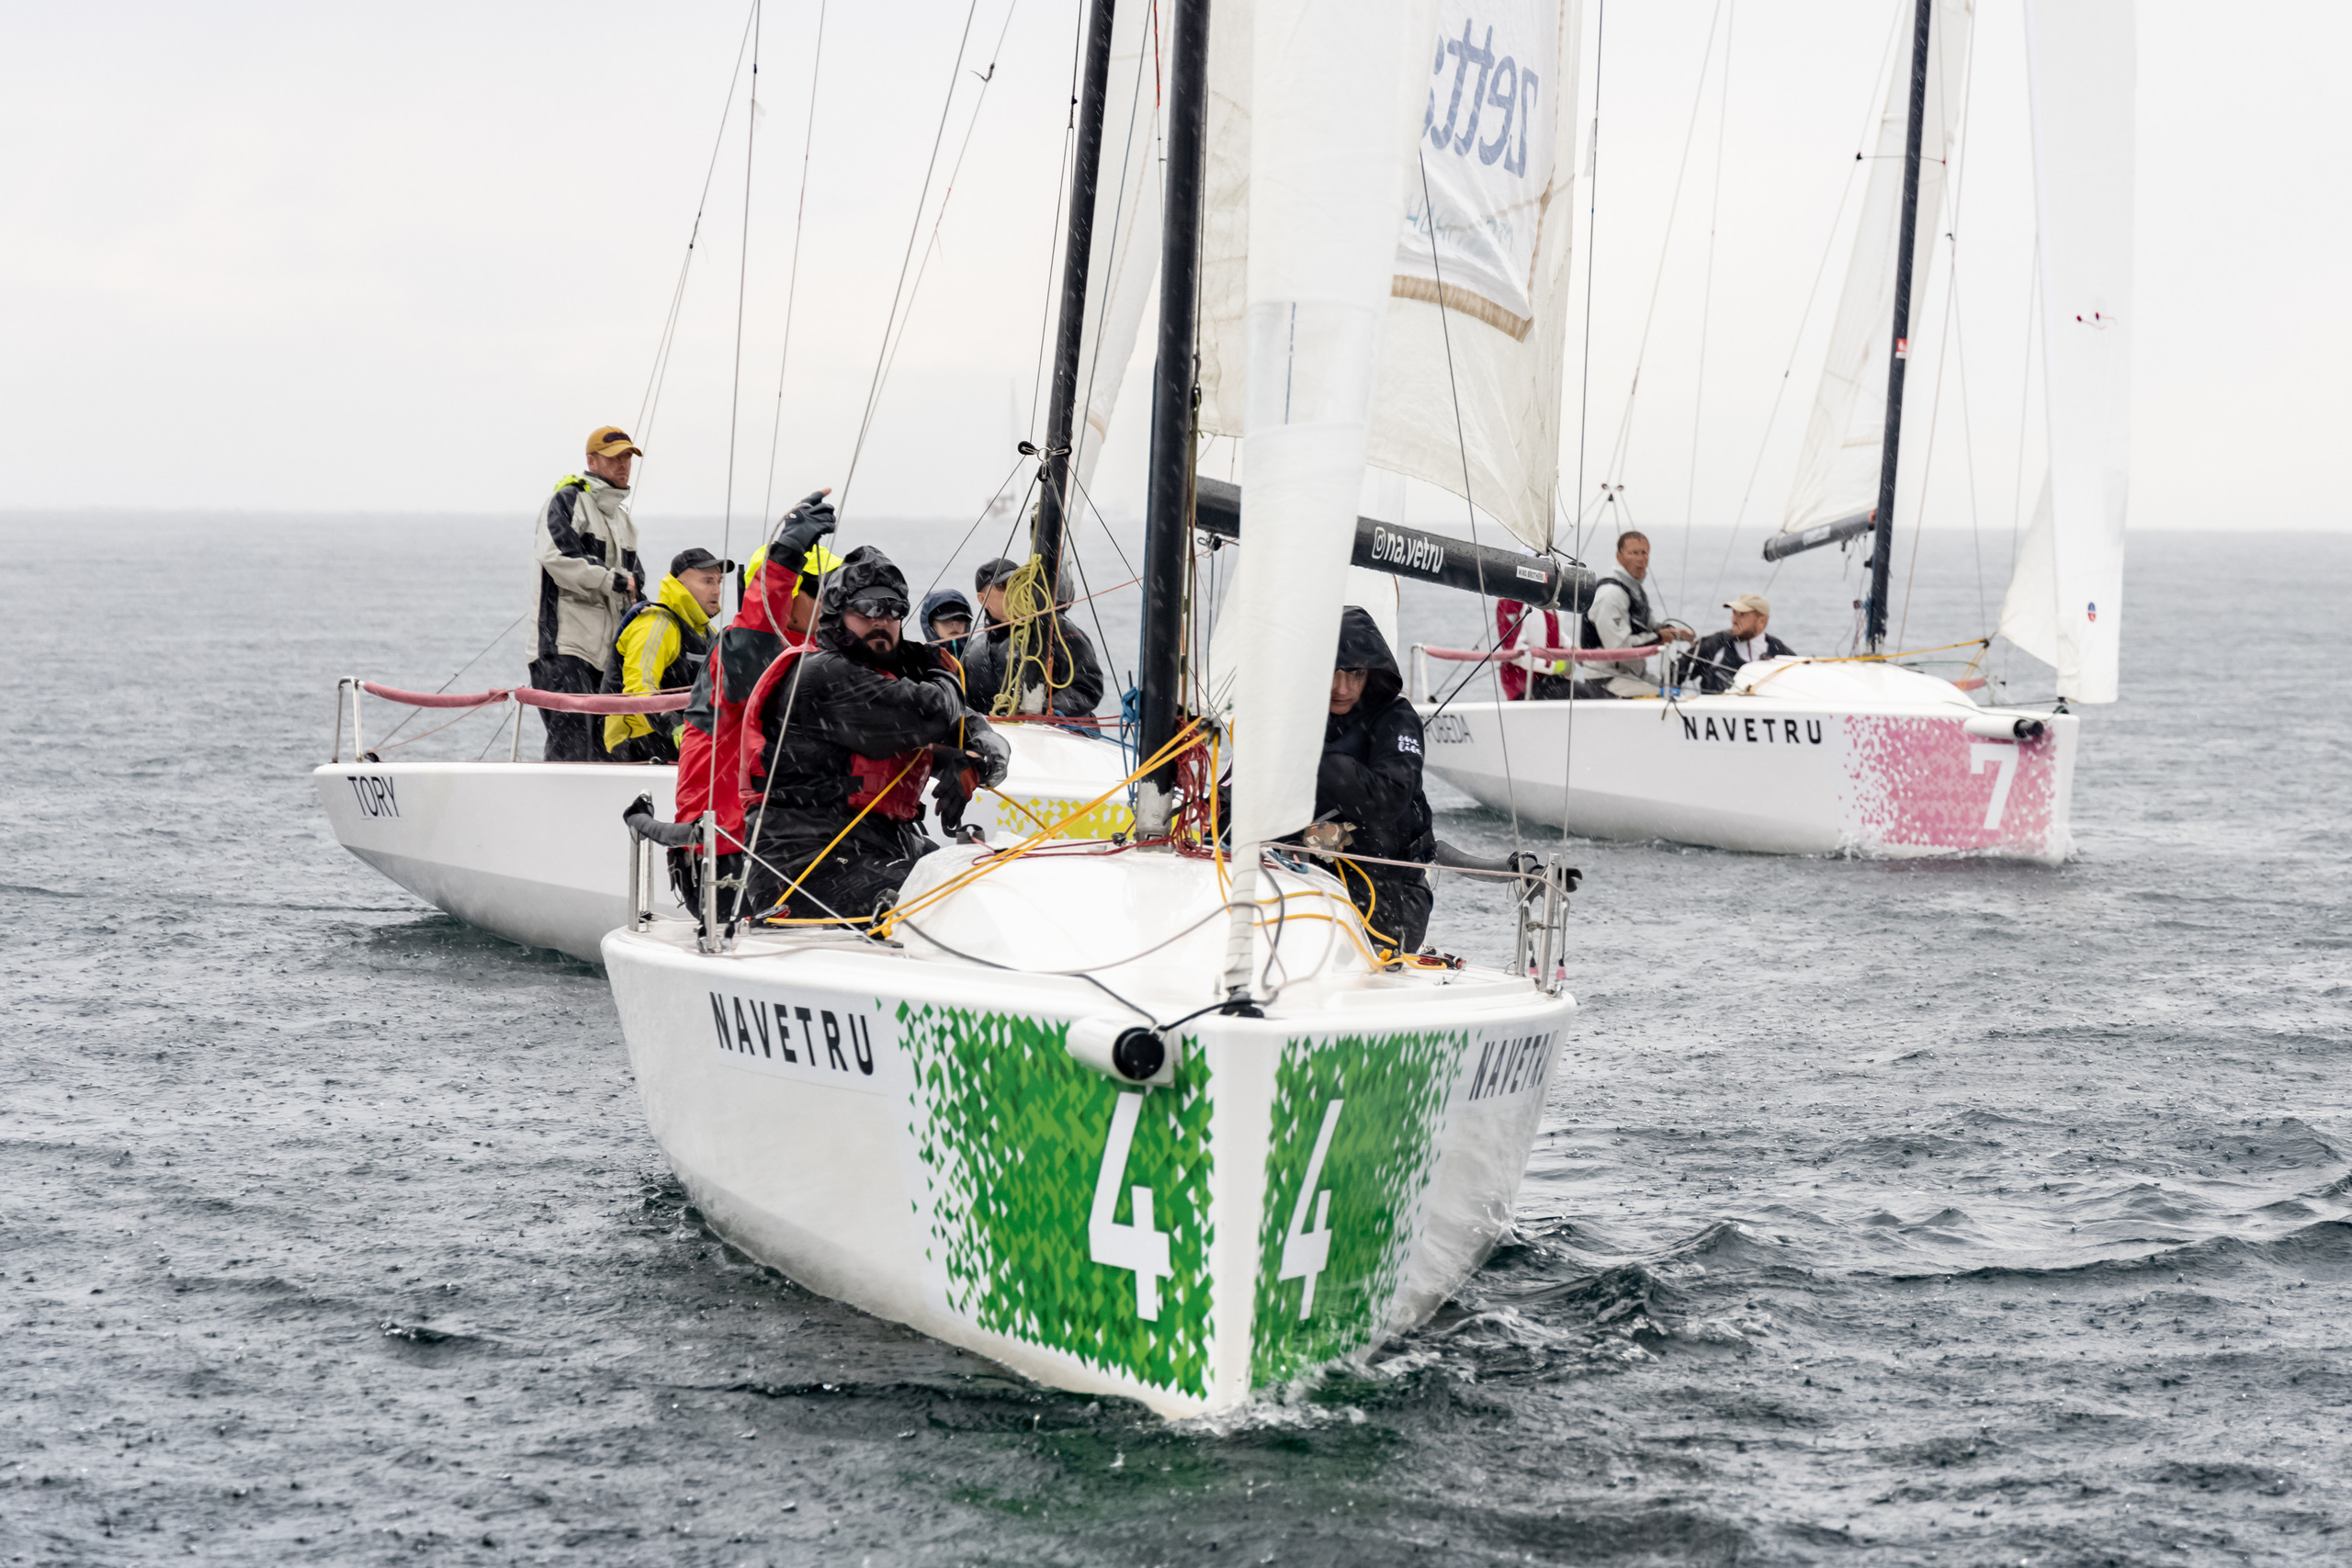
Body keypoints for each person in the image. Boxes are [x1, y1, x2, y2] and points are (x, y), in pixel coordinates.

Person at [738, 546, 1009, 926]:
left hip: (879, 846)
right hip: (806, 867)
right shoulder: (820, 676)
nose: (881, 620)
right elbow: (932, 713)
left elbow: (967, 723)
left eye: (894, 610)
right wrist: (943, 672)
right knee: (955, 898)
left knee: (992, 878)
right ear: (836, 617)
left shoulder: (888, 679)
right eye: (866, 610)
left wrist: (980, 760)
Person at [673, 491, 841, 916]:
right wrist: (786, 555)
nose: (834, 601)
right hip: (726, 859)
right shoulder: (741, 653)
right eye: (823, 589)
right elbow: (759, 631)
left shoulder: (818, 661)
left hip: (787, 852)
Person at [1306, 605, 1437, 958]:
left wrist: (1310, 758)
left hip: (1392, 890)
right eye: (1333, 672)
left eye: (1356, 673)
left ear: (1372, 673)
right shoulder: (1298, 717)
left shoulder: (1397, 719)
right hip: (1305, 876)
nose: (1342, 687)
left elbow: (1387, 799)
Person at [531, 425, 648, 761]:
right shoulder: (568, 500)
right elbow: (557, 557)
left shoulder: (623, 522)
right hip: (564, 646)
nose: (623, 465)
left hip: (609, 655)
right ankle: (558, 810)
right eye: (614, 458)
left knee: (609, 750)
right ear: (592, 461)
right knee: (571, 746)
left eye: (627, 457)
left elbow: (636, 584)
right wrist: (613, 580)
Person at [600, 548, 728, 764]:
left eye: (719, 582)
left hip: (684, 742)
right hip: (638, 744)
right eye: (707, 581)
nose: (716, 590)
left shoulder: (709, 634)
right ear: (681, 584)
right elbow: (639, 689)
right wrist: (676, 727)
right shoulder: (656, 625)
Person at [961, 556, 1106, 717]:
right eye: (1002, 585)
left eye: (1017, 582)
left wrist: (1044, 712)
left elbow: (1088, 685)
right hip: (1002, 737)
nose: (1012, 590)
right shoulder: (972, 653)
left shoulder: (1055, 629)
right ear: (982, 599)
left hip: (1061, 734)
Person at [1568, 529, 1692, 699]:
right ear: (1619, 557)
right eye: (1634, 553)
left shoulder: (1635, 591)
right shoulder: (1610, 594)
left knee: (1678, 694)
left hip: (1632, 676)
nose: (1641, 559)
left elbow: (1648, 626)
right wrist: (1659, 638)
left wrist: (1670, 632)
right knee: (1666, 699)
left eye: (1645, 553)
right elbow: (1619, 648)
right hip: (1606, 679)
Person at [1679, 592, 1796, 694]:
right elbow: (1673, 675)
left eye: (1742, 615)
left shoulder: (1777, 650)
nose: (1734, 620)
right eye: (1734, 613)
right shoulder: (1715, 644)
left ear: (1762, 621)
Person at [920, 588, 977, 654]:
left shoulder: (982, 654)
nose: (955, 623)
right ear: (931, 625)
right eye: (945, 619)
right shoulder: (919, 662)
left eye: (961, 618)